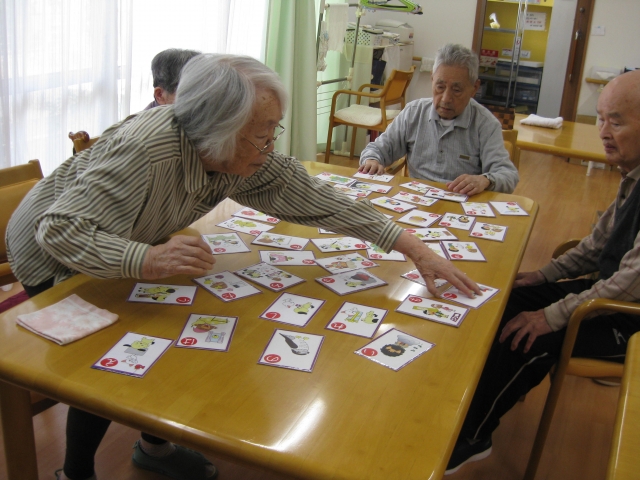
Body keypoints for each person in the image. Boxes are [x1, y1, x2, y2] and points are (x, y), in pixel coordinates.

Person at [6, 54, 481, 480]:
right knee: (103, 355)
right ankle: (76, 472)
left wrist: (412, 246)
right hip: (53, 249)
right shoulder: (147, 150)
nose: (271, 143)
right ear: (220, 129)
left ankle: (153, 446)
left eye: (274, 129)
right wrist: (145, 258)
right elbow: (60, 229)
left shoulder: (236, 153)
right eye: (263, 132)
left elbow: (315, 197)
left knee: (156, 332)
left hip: (126, 233)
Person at [445, 69, 640, 475]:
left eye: (616, 122)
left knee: (529, 336)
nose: (603, 132)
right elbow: (597, 246)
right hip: (605, 293)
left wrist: (550, 315)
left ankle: (474, 435)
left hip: (628, 318)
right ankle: (466, 396)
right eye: (600, 119)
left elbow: (627, 284)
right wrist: (544, 276)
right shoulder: (632, 175)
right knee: (505, 300)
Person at [358, 43, 519, 196]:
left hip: (460, 205)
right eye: (440, 87)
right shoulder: (414, 112)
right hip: (416, 201)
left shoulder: (485, 124)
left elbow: (507, 175)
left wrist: (485, 180)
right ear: (432, 79)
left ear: (474, 88)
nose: (446, 98)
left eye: (457, 90)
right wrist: (372, 160)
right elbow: (378, 149)